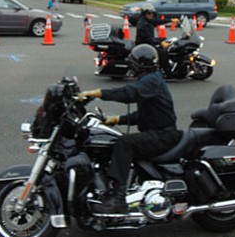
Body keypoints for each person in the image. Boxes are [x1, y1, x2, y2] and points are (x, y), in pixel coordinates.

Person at [77, 44, 180, 215]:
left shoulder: (151, 81)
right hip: (158, 131)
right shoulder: (150, 80)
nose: (131, 66)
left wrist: (98, 93)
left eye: (133, 62)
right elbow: (145, 115)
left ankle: (118, 199)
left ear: (140, 64)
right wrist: (118, 119)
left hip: (164, 135)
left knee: (124, 143)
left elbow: (128, 93)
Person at [135, 3, 174, 77]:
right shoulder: (143, 25)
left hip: (147, 41)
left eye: (152, 13)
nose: (151, 15)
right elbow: (149, 39)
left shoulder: (147, 21)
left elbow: (157, 21)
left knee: (165, 39)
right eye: (149, 13)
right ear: (144, 14)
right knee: (163, 52)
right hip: (144, 44)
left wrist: (170, 20)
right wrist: (160, 43)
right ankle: (168, 72)